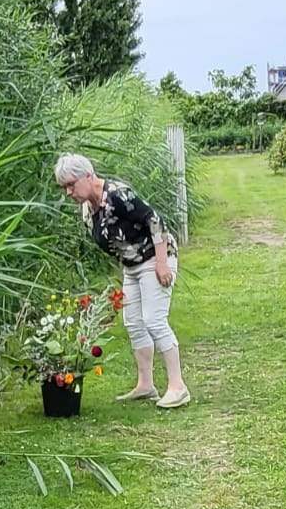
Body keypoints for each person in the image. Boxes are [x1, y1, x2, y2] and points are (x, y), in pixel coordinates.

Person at [54, 153, 191, 408]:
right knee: (134, 323)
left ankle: (177, 386)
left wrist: (161, 264)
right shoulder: (87, 210)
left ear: (88, 175)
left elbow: (155, 221)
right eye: (64, 187)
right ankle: (146, 385)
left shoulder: (118, 194)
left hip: (156, 256)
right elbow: (116, 243)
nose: (68, 192)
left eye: (71, 184)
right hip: (132, 266)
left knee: (154, 319)